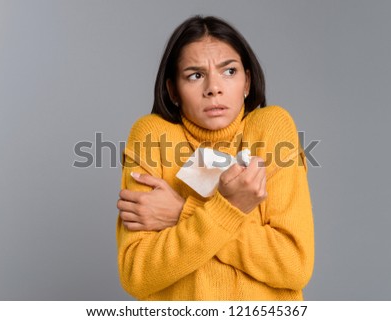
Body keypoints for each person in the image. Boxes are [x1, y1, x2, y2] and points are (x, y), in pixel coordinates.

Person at [116, 15, 314, 300]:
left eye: (229, 71)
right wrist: (229, 210)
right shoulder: (152, 136)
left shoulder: (270, 128)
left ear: (247, 81)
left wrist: (182, 212)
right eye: (195, 75)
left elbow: (294, 266)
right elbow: (137, 273)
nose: (214, 88)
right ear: (173, 90)